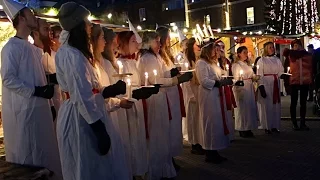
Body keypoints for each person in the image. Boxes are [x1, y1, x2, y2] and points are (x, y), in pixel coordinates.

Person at [55, 2, 129, 179]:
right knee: (87, 166)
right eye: (87, 22)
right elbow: (81, 95)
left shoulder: (77, 52)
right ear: (78, 26)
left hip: (88, 113)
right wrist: (98, 129)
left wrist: (109, 90)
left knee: (98, 167)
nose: (90, 26)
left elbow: (89, 88)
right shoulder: (71, 55)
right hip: (80, 119)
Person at [0, 0, 62, 179]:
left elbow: (37, 75)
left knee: (44, 153)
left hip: (39, 109)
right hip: (24, 113)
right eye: (30, 14)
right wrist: (36, 91)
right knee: (28, 157)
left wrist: (48, 93)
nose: (34, 17)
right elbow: (8, 79)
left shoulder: (31, 48)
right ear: (21, 18)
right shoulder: (11, 48)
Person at [138, 31, 192, 179]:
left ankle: (163, 167)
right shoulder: (147, 58)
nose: (160, 44)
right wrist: (176, 81)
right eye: (157, 41)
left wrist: (172, 73)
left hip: (161, 99)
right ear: (148, 42)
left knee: (162, 135)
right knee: (157, 135)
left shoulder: (155, 56)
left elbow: (162, 74)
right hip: (154, 99)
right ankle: (155, 170)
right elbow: (155, 81)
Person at [90, 24, 132, 180]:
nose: (114, 44)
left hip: (110, 111)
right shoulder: (94, 65)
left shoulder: (100, 63)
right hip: (102, 115)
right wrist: (115, 99)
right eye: (102, 38)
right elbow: (96, 94)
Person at [116, 30, 158, 179]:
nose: (137, 44)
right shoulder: (120, 63)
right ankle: (132, 171)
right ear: (124, 44)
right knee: (131, 139)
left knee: (138, 137)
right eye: (133, 41)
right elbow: (121, 88)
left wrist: (144, 89)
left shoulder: (133, 62)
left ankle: (139, 170)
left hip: (137, 106)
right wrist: (135, 91)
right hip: (127, 107)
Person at [157, 26, 192, 171]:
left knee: (174, 126)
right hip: (167, 94)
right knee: (169, 128)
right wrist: (173, 75)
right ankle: (168, 159)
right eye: (168, 38)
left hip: (173, 92)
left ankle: (171, 157)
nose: (170, 40)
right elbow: (160, 76)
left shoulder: (167, 55)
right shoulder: (158, 57)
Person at [195, 40, 233, 164]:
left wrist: (224, 79)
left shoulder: (213, 63)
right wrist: (218, 83)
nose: (216, 51)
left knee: (216, 122)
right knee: (209, 122)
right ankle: (209, 151)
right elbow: (204, 80)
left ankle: (214, 149)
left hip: (216, 95)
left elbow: (219, 75)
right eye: (214, 49)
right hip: (208, 96)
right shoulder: (201, 63)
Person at [31, 18, 61, 119]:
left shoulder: (55, 55)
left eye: (50, 30)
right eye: (45, 29)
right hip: (42, 106)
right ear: (35, 33)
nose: (49, 33)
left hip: (60, 101)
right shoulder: (31, 54)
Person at [257, 42, 285, 134]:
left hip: (275, 83)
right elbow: (259, 74)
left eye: (272, 47)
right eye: (270, 47)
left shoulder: (277, 59)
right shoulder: (262, 60)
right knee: (267, 106)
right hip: (266, 83)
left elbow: (280, 71)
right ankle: (267, 126)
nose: (272, 49)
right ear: (266, 49)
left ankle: (275, 126)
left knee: (275, 105)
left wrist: (283, 75)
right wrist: (261, 86)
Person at [183, 37, 204, 155]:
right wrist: (191, 95)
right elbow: (186, 80)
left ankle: (200, 141)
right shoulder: (187, 61)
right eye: (197, 44)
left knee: (198, 118)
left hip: (198, 91)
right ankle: (194, 143)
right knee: (192, 118)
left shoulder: (197, 59)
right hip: (191, 92)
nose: (199, 46)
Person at [232, 46, 258, 138]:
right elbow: (237, 78)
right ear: (239, 54)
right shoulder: (236, 65)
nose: (246, 54)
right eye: (244, 52)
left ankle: (248, 127)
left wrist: (254, 77)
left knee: (249, 108)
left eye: (247, 52)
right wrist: (239, 90)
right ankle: (242, 128)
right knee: (242, 109)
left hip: (249, 87)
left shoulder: (247, 64)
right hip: (242, 87)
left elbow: (251, 74)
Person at [289, 39, 313, 130]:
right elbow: (286, 68)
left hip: (304, 81)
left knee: (303, 103)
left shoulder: (307, 55)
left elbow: (311, 67)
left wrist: (311, 79)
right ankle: (294, 123)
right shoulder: (290, 55)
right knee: (293, 102)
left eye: (298, 45)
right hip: (294, 81)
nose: (296, 47)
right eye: (294, 45)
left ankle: (303, 122)